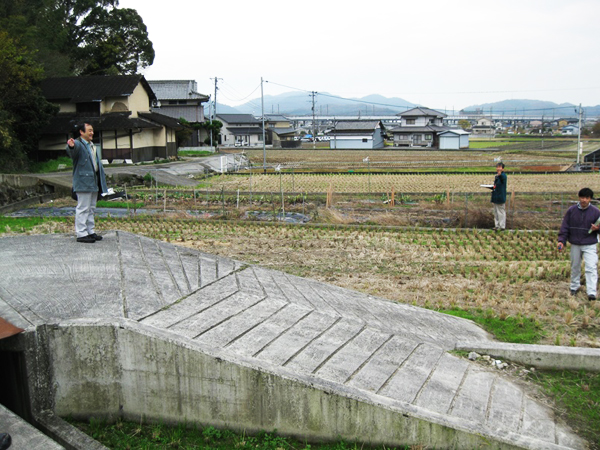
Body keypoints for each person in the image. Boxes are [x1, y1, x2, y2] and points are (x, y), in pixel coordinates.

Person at [66, 123, 108, 243]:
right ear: (81, 132)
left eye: (92, 131)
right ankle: (81, 233)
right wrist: (71, 146)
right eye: (89, 131)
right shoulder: (78, 144)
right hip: (83, 181)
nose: (92, 133)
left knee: (91, 208)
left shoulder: (91, 145)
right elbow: (72, 152)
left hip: (93, 181)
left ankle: (90, 231)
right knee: (83, 208)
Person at [558, 187, 600, 301]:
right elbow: (565, 226)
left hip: (590, 244)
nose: (584, 200)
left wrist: (597, 229)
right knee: (575, 266)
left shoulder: (596, 212)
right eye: (582, 197)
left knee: (591, 267)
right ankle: (574, 287)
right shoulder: (571, 211)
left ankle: (591, 293)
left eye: (586, 198)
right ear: (579, 197)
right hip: (575, 243)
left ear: (590, 199)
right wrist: (561, 241)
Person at [491, 162, 507, 230]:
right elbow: (495, 186)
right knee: (495, 212)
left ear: (503, 169)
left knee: (501, 212)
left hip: (500, 197)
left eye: (500, 167)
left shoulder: (503, 176)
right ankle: (497, 226)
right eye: (497, 167)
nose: (498, 168)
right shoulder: (497, 177)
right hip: (495, 197)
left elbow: (502, 178)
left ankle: (502, 226)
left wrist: (500, 173)